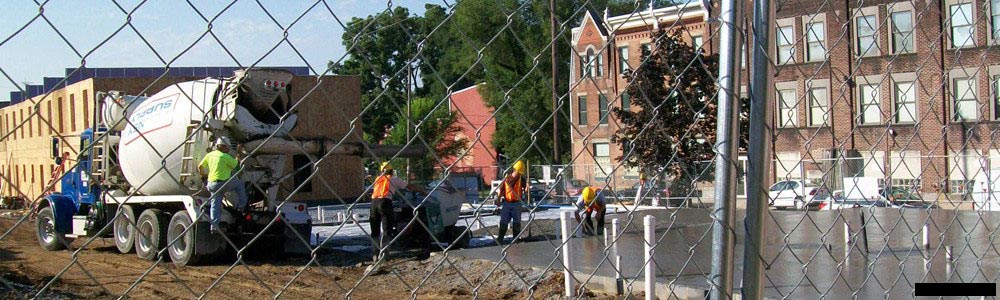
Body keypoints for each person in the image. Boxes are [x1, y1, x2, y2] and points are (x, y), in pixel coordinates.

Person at [370, 162, 426, 261]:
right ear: (391, 171)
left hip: (374, 203)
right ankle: (384, 254)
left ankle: (375, 254)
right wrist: (422, 190)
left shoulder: (377, 179)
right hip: (385, 202)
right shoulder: (393, 179)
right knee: (387, 229)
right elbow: (409, 186)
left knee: (375, 231)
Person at [198, 139, 248, 233]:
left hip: (212, 184)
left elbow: (200, 166)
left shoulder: (209, 155)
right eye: (228, 147)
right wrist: (238, 151)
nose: (229, 149)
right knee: (240, 183)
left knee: (215, 205)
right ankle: (241, 206)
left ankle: (214, 227)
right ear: (223, 146)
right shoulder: (225, 156)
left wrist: (203, 176)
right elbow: (236, 165)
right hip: (223, 184)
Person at [495, 160, 527, 244]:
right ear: (515, 170)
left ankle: (515, 239)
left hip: (517, 203)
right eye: (519, 172)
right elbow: (501, 191)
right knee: (504, 221)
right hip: (507, 203)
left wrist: (527, 185)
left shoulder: (521, 179)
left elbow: (526, 190)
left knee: (517, 222)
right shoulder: (506, 179)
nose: (520, 174)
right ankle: (500, 238)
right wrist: (498, 200)